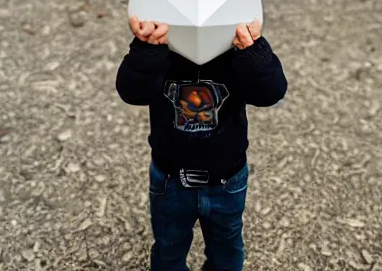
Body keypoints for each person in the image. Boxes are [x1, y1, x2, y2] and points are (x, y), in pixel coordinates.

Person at [116, 15, 288, 271]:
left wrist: (253, 49)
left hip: (226, 179)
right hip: (171, 178)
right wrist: (146, 48)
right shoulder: (160, 52)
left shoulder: (236, 52)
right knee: (168, 246)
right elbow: (131, 91)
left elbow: (271, 92)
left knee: (226, 248)